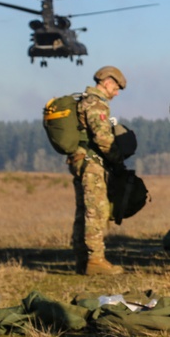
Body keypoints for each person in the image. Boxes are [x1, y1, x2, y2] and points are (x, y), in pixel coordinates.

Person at [70, 65, 129, 275]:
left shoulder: (83, 101)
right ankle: (95, 260)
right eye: (116, 88)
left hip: (81, 161)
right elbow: (103, 139)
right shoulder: (96, 105)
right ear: (107, 83)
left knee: (83, 211)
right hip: (91, 163)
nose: (117, 92)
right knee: (96, 211)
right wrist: (117, 160)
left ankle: (81, 258)